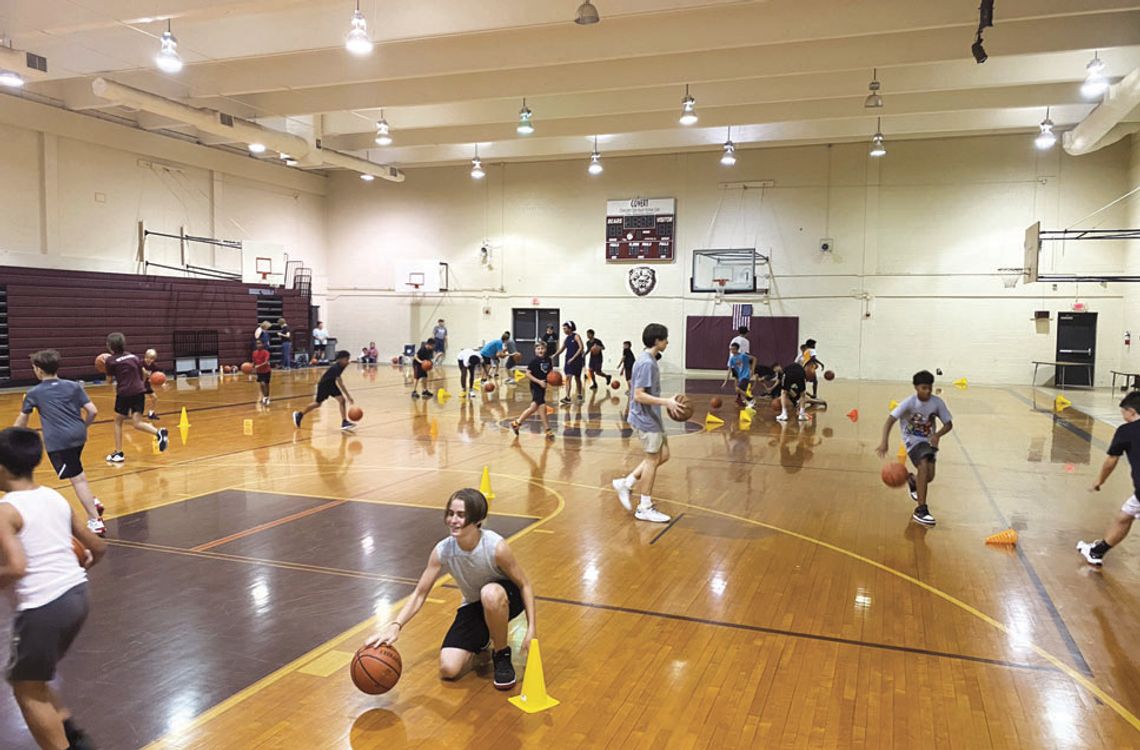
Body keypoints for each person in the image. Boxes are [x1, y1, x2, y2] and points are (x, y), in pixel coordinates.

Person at [0, 426, 106, 750]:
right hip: (76, 596)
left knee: (25, 687)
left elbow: (17, 567)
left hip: (43, 609)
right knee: (34, 675)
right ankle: (72, 735)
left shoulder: (5, 510)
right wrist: (72, 566)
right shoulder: (53, 496)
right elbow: (98, 548)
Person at [366, 488, 536, 691]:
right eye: (451, 513)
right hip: (476, 604)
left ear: (477, 519)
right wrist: (395, 625)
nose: (453, 520)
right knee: (449, 669)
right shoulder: (443, 550)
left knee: (489, 593)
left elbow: (524, 584)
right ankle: (482, 641)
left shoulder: (496, 547)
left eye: (461, 515)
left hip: (506, 597)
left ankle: (501, 654)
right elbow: (420, 593)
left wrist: (532, 626)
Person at [15, 350, 105, 536]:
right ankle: (92, 501)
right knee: (76, 470)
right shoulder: (74, 386)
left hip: (59, 441)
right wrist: (83, 426)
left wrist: (11, 435)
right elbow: (93, 411)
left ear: (38, 370)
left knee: (77, 478)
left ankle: (95, 520)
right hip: (79, 437)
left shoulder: (34, 393)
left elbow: (22, 421)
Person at [610, 323, 682, 524]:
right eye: (665, 338)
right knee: (652, 460)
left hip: (652, 416)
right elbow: (639, 395)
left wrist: (666, 399)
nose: (667, 342)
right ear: (657, 341)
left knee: (663, 455)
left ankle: (627, 482)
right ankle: (644, 507)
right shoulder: (647, 363)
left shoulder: (648, 359)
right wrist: (666, 401)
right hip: (645, 418)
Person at [875, 370, 953, 527]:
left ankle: (912, 481)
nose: (928, 391)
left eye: (930, 387)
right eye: (924, 388)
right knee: (923, 463)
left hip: (930, 442)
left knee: (928, 477)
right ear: (916, 387)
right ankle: (921, 510)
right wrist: (884, 442)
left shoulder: (937, 403)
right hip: (913, 441)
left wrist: (937, 435)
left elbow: (948, 424)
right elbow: (890, 420)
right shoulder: (909, 403)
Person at [1077, 391, 1140, 566]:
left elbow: (1111, 461)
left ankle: (1097, 552)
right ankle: (1096, 552)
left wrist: (1100, 480)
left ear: (1131, 411)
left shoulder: (1126, 431)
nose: (1124, 417)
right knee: (1125, 516)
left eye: (1124, 413)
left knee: (1125, 515)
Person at [103, 332, 168, 463]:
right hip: (139, 391)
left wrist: (104, 369)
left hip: (125, 393)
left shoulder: (110, 360)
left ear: (109, 346)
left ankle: (118, 453)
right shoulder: (133, 357)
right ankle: (158, 432)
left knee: (118, 421)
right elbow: (144, 374)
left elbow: (109, 381)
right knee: (137, 422)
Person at [293, 350, 356, 431]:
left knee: (342, 401)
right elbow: (341, 384)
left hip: (331, 384)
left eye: (348, 359)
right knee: (317, 404)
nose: (347, 361)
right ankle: (299, 414)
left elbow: (348, 362)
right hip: (324, 385)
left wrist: (353, 361)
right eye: (346, 359)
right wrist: (349, 397)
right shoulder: (335, 368)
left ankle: (344, 422)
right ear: (340, 359)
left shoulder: (343, 364)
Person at [510, 340, 555, 440]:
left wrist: (554, 381)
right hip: (535, 386)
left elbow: (550, 373)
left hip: (543, 386)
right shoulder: (534, 362)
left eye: (542, 348)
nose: (540, 350)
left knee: (537, 408)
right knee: (539, 407)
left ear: (545, 350)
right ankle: (547, 430)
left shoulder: (548, 360)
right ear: (535, 351)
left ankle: (517, 423)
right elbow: (527, 374)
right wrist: (539, 382)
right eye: (538, 349)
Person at [772, 358, 815, 423]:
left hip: (789, 375)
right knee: (803, 394)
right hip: (800, 375)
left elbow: (786, 389)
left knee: (783, 392)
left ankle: (784, 414)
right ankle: (802, 415)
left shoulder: (786, 369)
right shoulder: (802, 368)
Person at [554, 322, 585, 405]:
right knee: (568, 377)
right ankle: (567, 397)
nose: (563, 330)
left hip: (577, 361)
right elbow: (562, 349)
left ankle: (579, 394)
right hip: (568, 361)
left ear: (570, 328)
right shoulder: (567, 338)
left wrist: (573, 358)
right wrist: (554, 355)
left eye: (565, 328)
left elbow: (581, 347)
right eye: (563, 328)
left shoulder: (576, 336)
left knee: (577, 378)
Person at [724, 343, 754, 408]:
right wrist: (725, 381)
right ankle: (748, 401)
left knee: (738, 389)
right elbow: (729, 370)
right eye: (731, 349)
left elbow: (754, 359)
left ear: (737, 349)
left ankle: (751, 399)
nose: (732, 350)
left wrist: (752, 370)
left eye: (733, 349)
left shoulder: (743, 355)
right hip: (740, 376)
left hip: (746, 375)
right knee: (741, 390)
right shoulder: (732, 359)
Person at [142, 348, 161, 421]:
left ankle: (151, 413)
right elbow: (140, 367)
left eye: (150, 358)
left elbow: (158, 375)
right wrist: (143, 370)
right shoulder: (141, 363)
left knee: (154, 398)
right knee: (139, 401)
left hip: (146, 385)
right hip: (138, 385)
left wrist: (162, 383)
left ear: (153, 359)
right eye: (146, 357)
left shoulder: (154, 366)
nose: (148, 359)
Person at [252, 340, 272, 406]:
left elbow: (266, 362)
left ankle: (267, 397)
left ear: (262, 344)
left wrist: (259, 365)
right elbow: (254, 362)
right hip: (259, 372)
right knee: (261, 384)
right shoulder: (254, 353)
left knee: (266, 384)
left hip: (266, 371)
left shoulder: (266, 352)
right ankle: (265, 397)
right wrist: (252, 367)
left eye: (260, 343)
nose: (258, 345)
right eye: (257, 344)